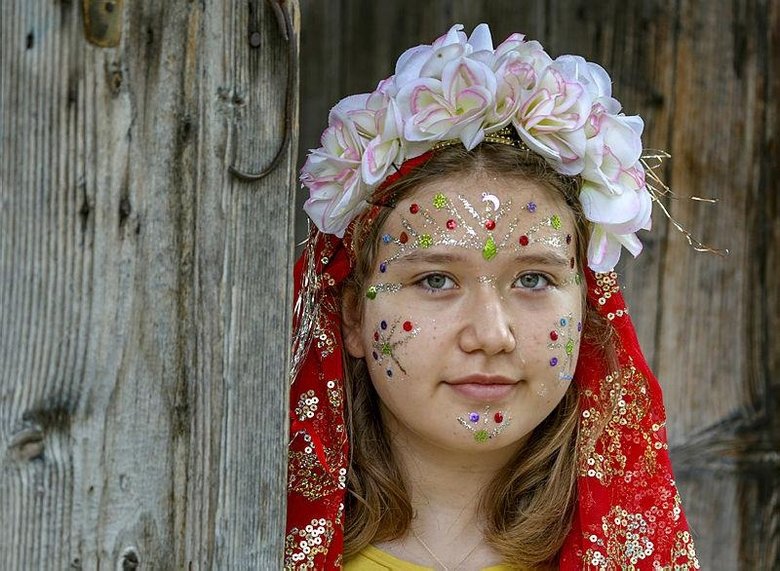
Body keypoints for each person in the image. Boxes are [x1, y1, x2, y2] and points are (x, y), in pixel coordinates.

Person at [286, 23, 700, 570]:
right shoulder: (245, 536)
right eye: (435, 280)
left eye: (533, 280)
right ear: (355, 317)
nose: (490, 335)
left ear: (586, 310)